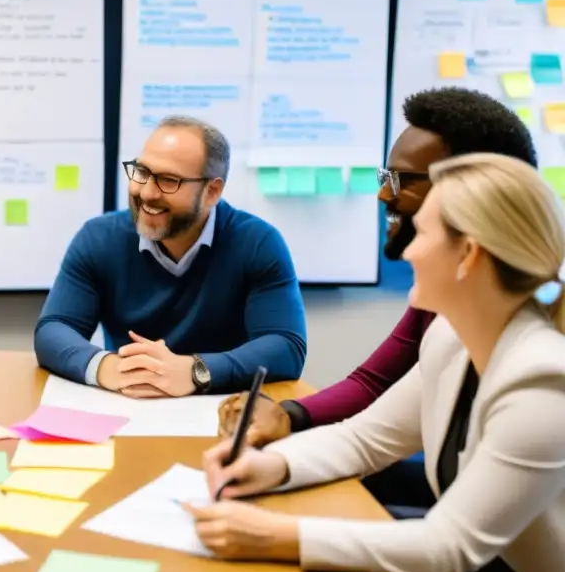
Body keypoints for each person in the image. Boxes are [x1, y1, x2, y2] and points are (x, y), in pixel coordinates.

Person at [189, 153, 565, 572]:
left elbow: (447, 548)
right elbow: (364, 439)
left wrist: (278, 536)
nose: (406, 251)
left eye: (423, 234)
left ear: (468, 254)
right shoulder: (453, 337)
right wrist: (271, 466)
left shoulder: (543, 381)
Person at [218, 88, 538, 462]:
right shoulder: (445, 318)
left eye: (401, 179)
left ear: (477, 193)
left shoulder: (534, 356)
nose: (383, 195)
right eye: (385, 176)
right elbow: (371, 403)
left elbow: (463, 521)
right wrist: (289, 417)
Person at [34, 116, 306, 396]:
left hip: (220, 410)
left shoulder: (257, 243)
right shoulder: (99, 239)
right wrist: (108, 367)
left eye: (168, 180)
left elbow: (286, 346)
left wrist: (194, 371)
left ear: (211, 192)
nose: (147, 193)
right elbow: (53, 329)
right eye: (141, 172)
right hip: (127, 403)